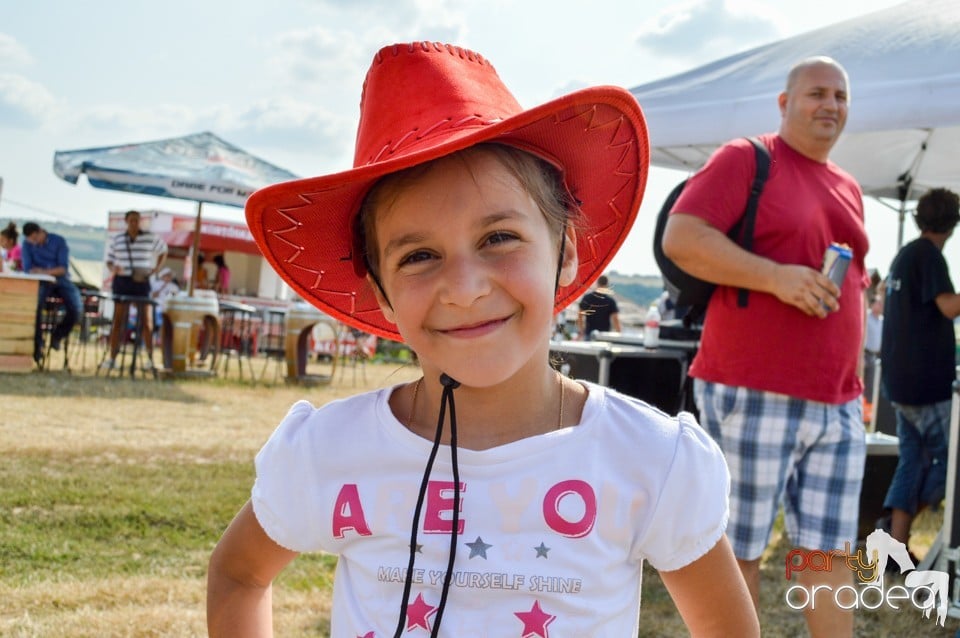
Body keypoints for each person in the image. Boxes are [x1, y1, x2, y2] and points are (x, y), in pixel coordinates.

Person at [208, 41, 758, 637]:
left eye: (499, 238)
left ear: (566, 250)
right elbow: (239, 574)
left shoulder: (650, 459)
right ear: (380, 292)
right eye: (419, 255)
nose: (465, 289)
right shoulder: (330, 451)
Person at [661, 56, 869, 637]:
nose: (830, 104)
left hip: (837, 402)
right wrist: (777, 277)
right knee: (739, 548)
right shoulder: (748, 159)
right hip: (754, 388)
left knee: (828, 554)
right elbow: (682, 237)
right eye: (816, 93)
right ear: (784, 103)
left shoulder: (848, 185)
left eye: (841, 95)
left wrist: (853, 388)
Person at [878, 187, 960, 551]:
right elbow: (949, 307)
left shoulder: (904, 255)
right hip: (927, 385)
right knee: (953, 462)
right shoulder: (928, 257)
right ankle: (900, 523)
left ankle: (894, 538)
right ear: (953, 224)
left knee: (912, 462)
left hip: (901, 382)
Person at [102, 210, 168, 370]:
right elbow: (109, 261)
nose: (134, 223)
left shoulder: (149, 237)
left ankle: (150, 359)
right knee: (118, 319)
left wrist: (156, 269)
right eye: (131, 220)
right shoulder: (117, 239)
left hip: (141, 280)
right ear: (126, 221)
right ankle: (112, 357)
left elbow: (163, 250)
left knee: (147, 320)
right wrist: (114, 269)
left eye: (136, 220)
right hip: (122, 281)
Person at [20, 222, 84, 362]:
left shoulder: (58, 241)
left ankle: (58, 335)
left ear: (41, 231)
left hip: (60, 280)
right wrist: (45, 274)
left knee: (77, 308)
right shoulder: (27, 244)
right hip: (40, 281)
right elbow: (28, 268)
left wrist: (45, 272)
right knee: (34, 308)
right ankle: (37, 345)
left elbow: (63, 268)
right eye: (32, 241)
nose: (35, 243)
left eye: (36, 239)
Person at [576, 273, 621, 339]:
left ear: (597, 283)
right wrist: (619, 334)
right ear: (607, 285)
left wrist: (581, 330)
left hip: (589, 334)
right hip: (604, 336)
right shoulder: (610, 301)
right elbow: (615, 319)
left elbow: (580, 315)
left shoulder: (587, 298)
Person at [863, 293, 883, 401]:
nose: (881, 305)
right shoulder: (865, 316)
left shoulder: (882, 321)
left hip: (874, 357)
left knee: (871, 386)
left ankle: (867, 414)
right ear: (872, 304)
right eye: (878, 303)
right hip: (863, 354)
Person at [150, 266, 180, 334]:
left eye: (170, 275)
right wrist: (161, 288)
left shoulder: (174, 286)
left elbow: (177, 297)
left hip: (169, 308)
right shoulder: (156, 284)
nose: (168, 277)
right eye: (167, 275)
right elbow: (152, 296)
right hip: (157, 307)